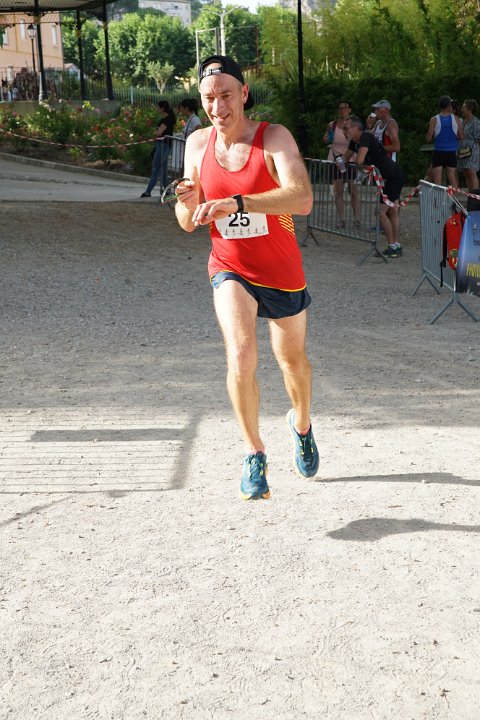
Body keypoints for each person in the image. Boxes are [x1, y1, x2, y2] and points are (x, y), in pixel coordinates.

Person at [173, 54, 319, 500]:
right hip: (230, 266)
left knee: (291, 361)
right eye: (208, 98)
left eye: (226, 96)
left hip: (280, 269)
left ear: (244, 94)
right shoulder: (196, 144)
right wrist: (187, 202)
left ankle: (301, 423)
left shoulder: (273, 137)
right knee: (240, 354)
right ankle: (254, 452)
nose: (217, 107)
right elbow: (187, 221)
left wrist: (238, 202)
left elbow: (302, 198)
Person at [343, 115, 405, 258]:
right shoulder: (354, 142)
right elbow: (346, 158)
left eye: (347, 128)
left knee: (380, 212)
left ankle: (392, 247)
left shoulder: (365, 137)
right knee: (392, 212)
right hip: (389, 177)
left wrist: (349, 163)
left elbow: (359, 160)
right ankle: (396, 245)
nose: (345, 131)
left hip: (393, 177)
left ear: (356, 128)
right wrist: (342, 160)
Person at [322, 100, 361, 229]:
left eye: (345, 108)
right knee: (338, 191)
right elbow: (327, 139)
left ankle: (357, 220)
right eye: (340, 108)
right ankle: (341, 219)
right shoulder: (332, 125)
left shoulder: (354, 124)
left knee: (353, 190)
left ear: (349, 109)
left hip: (350, 160)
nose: (342, 110)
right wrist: (326, 139)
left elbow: (358, 140)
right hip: (336, 159)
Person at [426, 95, 464, 187]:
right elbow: (461, 136)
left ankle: (438, 197)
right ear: (449, 106)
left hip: (439, 151)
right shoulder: (456, 119)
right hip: (451, 152)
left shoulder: (434, 119)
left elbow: (428, 138)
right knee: (452, 177)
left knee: (437, 180)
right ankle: (454, 196)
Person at [141, 100, 176, 198]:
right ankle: (166, 190)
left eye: (157, 107)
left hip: (162, 146)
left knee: (156, 168)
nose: (156, 108)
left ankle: (148, 191)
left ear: (162, 108)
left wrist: (154, 133)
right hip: (163, 146)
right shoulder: (167, 119)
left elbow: (159, 132)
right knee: (163, 169)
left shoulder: (167, 120)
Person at [457, 99, 480, 191]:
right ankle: (470, 195)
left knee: (471, 172)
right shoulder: (462, 121)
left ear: (469, 109)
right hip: (463, 151)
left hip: (472, 150)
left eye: (463, 108)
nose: (462, 110)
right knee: (466, 172)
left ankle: (476, 196)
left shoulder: (476, 122)